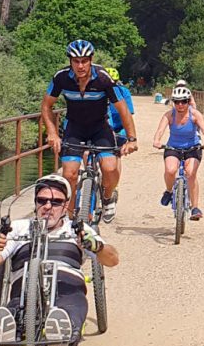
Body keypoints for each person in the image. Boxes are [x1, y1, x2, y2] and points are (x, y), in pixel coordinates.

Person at [0, 174, 120, 346]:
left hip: (67, 285)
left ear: (65, 206)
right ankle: (6, 344)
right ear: (35, 203)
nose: (48, 206)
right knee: (13, 311)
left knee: (70, 308)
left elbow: (113, 259)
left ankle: (60, 344)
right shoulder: (18, 228)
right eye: (42, 200)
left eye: (56, 202)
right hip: (25, 287)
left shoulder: (77, 230)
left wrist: (96, 246)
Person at [40, 40, 138, 224]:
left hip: (99, 127)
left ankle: (108, 197)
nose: (80, 65)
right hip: (74, 128)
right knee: (69, 174)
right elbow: (46, 106)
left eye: (84, 61)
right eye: (76, 61)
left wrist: (131, 139)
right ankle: (69, 219)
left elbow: (123, 109)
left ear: (91, 60)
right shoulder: (61, 78)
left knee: (109, 167)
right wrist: (52, 133)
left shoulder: (102, 78)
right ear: (70, 61)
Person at [152, 87, 204, 220]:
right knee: (170, 169)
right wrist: (156, 140)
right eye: (177, 102)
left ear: (188, 101)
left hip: (193, 148)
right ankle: (169, 191)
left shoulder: (195, 114)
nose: (180, 105)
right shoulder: (169, 115)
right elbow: (160, 130)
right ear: (173, 102)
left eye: (184, 101)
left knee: (191, 173)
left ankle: (195, 207)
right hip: (173, 147)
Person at [106, 67, 135, 183]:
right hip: (104, 126)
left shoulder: (124, 92)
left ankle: (114, 185)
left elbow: (128, 113)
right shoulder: (98, 93)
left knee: (116, 154)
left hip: (120, 127)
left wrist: (129, 136)